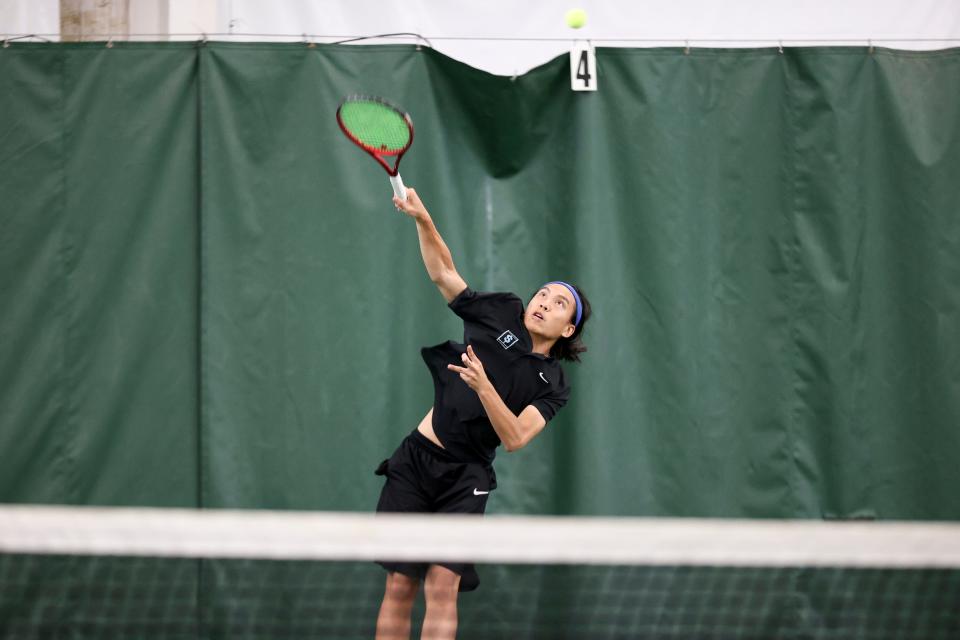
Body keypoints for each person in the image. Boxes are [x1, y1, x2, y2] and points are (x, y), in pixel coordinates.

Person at [374, 187, 591, 640]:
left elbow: (514, 438)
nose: (544, 302)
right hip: (416, 462)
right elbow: (444, 274)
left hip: (466, 478)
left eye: (558, 304)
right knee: (399, 586)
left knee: (442, 587)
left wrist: (484, 386)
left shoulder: (553, 385)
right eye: (543, 294)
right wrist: (422, 218)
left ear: (567, 328)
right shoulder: (502, 313)